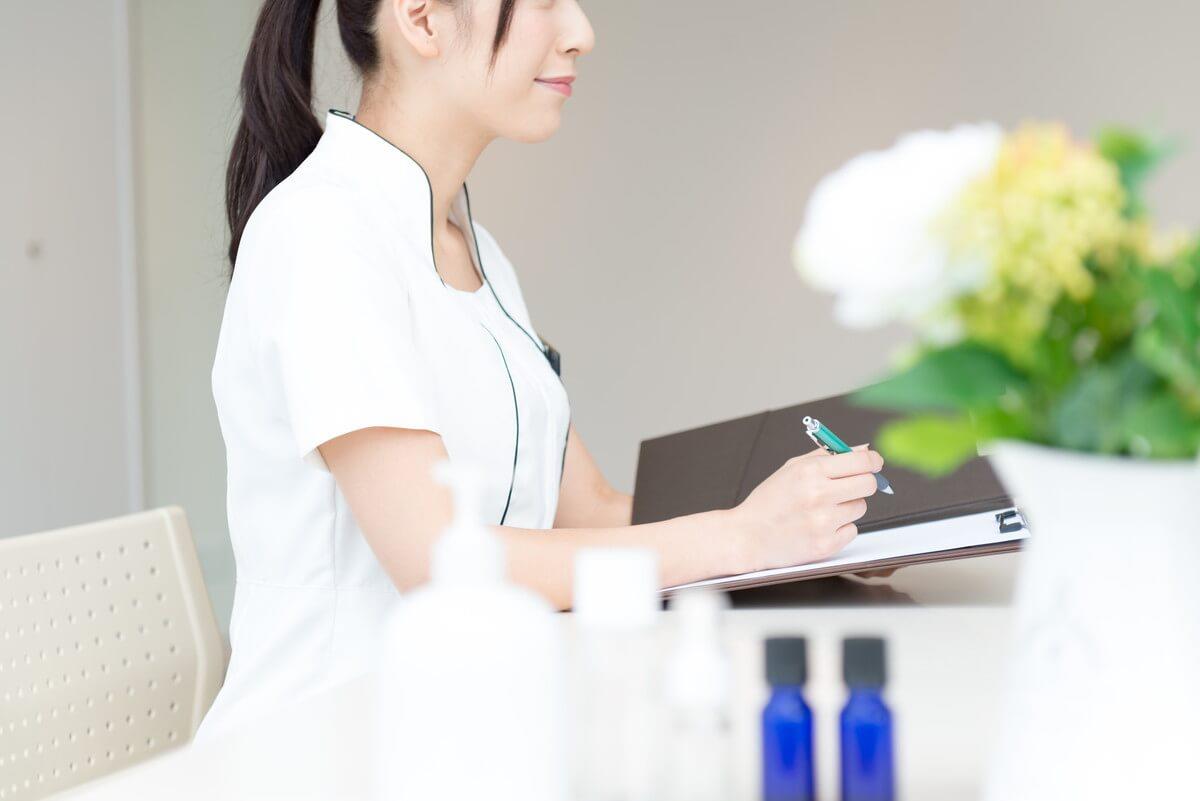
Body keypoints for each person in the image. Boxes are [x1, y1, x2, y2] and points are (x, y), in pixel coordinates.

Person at [196, 0, 885, 738]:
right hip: (322, 746)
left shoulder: (474, 248)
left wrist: (809, 530)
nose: (581, 32)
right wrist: (742, 538)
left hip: (470, 726)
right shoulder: (322, 234)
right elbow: (439, 562)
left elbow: (588, 509)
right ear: (421, 18)